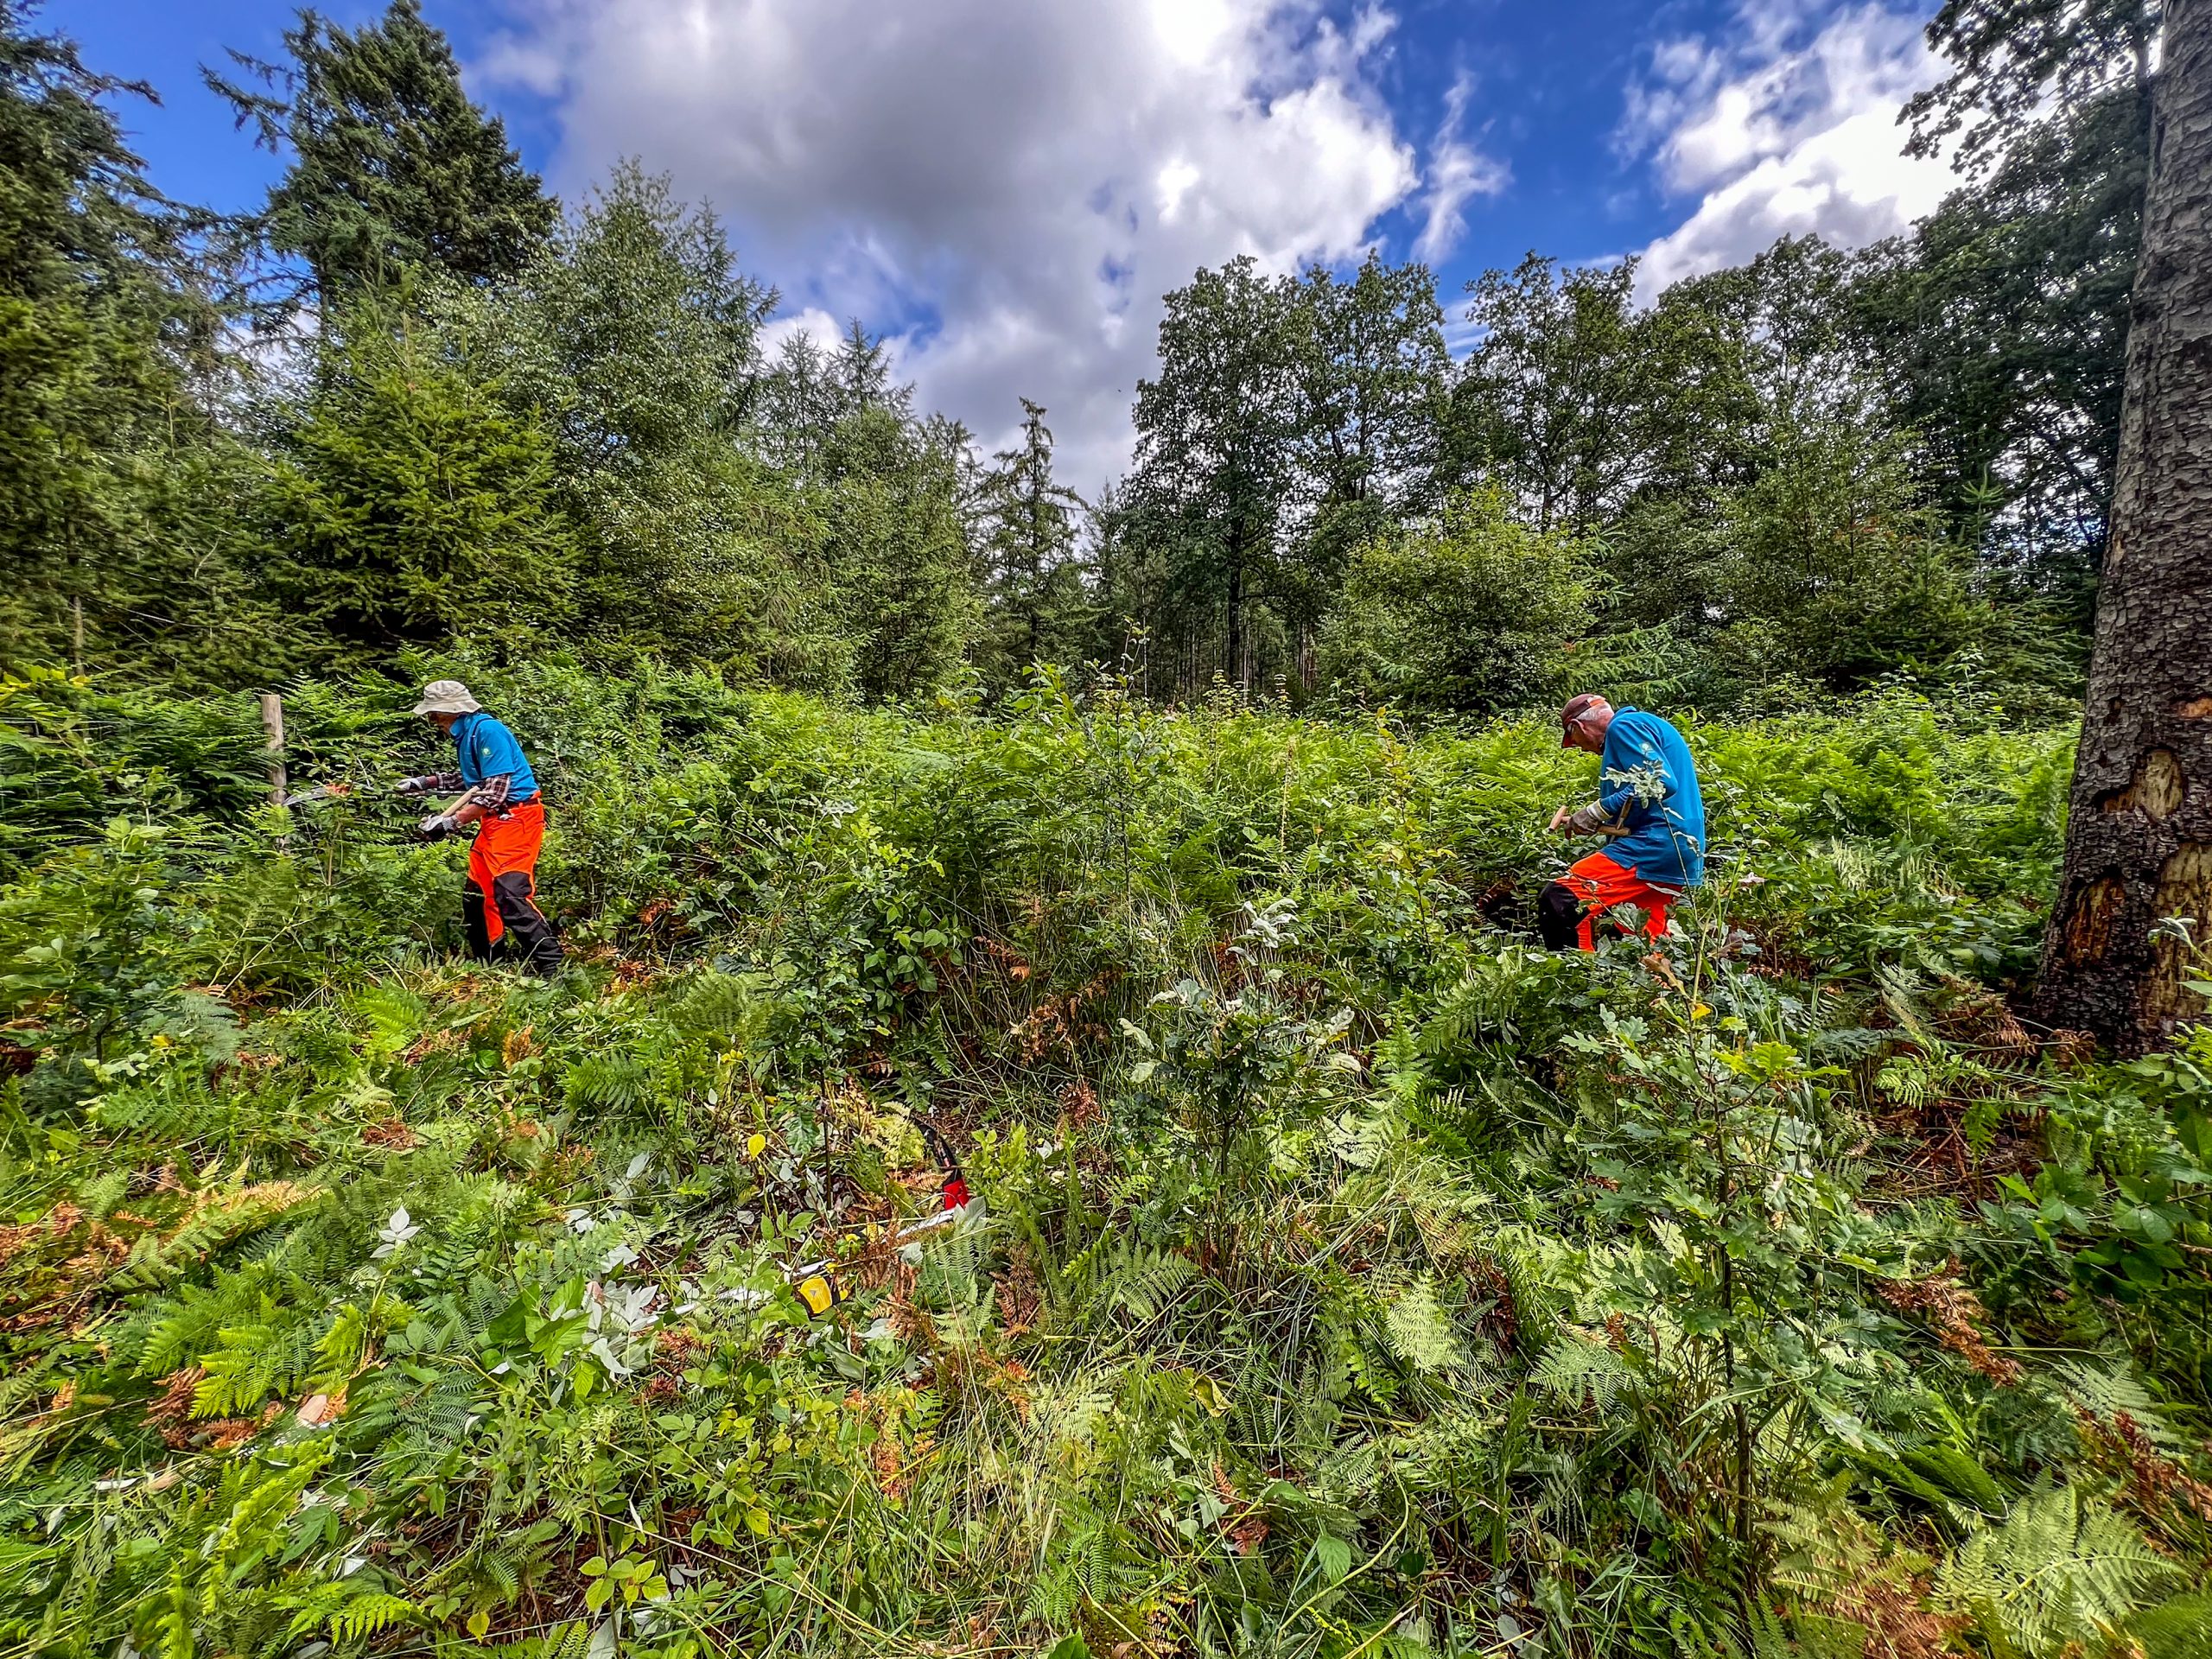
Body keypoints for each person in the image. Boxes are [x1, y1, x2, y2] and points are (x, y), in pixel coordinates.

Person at [397, 680, 563, 976]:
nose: (433, 721)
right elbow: (471, 781)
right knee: (477, 895)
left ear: (451, 711)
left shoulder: (488, 731)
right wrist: (422, 783)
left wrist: (450, 822)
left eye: (434, 714)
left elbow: (494, 793)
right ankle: (490, 964)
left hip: (516, 820)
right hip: (494, 824)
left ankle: (552, 966)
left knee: (511, 895)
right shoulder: (468, 735)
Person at [1539, 694, 1705, 952]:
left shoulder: (1624, 726)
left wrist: (1597, 809)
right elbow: (1644, 800)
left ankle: (1575, 975)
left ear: (1578, 726)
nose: (1582, 748)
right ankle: (1658, 980)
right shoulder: (1643, 725)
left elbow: (1660, 783)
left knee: (1561, 900)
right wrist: (1596, 820)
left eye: (1575, 741)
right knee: (1644, 944)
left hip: (1654, 843)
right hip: (1679, 847)